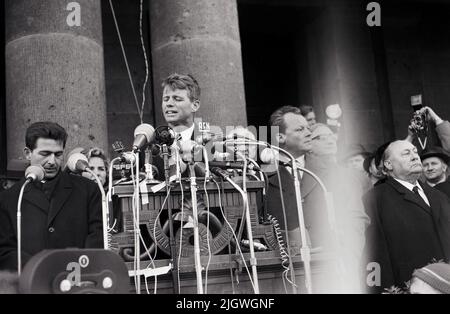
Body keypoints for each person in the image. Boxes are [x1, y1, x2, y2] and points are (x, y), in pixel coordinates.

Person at [0, 122, 103, 270]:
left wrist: (82, 269)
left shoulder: (88, 190)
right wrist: (38, 269)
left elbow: (97, 237)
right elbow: (5, 250)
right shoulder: (9, 198)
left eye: (58, 154)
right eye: (45, 154)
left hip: (79, 282)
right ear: (28, 153)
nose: (52, 161)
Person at [362, 140, 450, 293]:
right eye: (406, 153)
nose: (415, 157)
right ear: (388, 165)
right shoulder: (375, 199)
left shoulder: (439, 196)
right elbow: (375, 253)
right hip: (407, 287)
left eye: (415, 152)